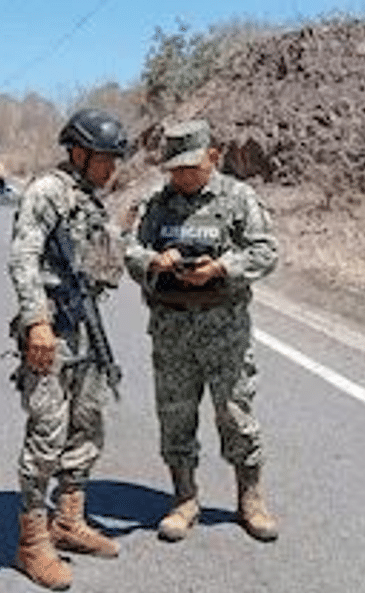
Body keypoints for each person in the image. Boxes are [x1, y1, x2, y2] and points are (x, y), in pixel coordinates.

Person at [123, 119, 280, 544]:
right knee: (175, 416)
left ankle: (250, 498)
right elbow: (131, 249)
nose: (183, 177)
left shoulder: (238, 198)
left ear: (213, 156)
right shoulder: (158, 205)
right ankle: (184, 498)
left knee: (235, 414)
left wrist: (222, 268)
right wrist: (154, 262)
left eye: (190, 167)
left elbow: (266, 250)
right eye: (175, 169)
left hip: (224, 331)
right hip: (171, 331)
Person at [7, 108, 128, 590]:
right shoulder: (47, 192)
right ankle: (32, 543)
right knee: (47, 432)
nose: (111, 167)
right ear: (78, 152)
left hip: (86, 329)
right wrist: (37, 320)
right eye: (104, 158)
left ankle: (69, 520)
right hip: (52, 331)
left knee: (88, 422)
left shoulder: (89, 198)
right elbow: (23, 256)